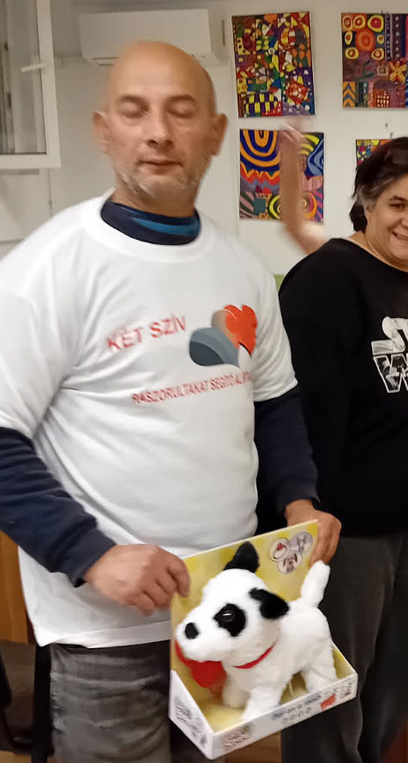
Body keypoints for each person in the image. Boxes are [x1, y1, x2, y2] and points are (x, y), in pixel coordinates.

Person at [0, 42, 340, 762]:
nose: (158, 132)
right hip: (105, 627)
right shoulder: (45, 271)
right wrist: (90, 555)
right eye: (135, 112)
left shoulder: (242, 268)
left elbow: (274, 403)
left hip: (224, 603)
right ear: (103, 130)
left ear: (215, 134)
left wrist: (299, 501)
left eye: (181, 113)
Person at [275, 134, 408, 762]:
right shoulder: (328, 278)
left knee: (401, 679)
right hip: (346, 528)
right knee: (328, 696)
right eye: (398, 204)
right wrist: (305, 510)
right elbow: (299, 409)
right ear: (367, 201)